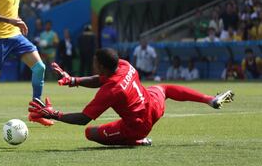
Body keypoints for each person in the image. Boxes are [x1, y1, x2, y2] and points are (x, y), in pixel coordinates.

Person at [28, 48, 234, 146]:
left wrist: (53, 114)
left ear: (101, 65)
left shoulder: (111, 91)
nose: (93, 65)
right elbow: (100, 79)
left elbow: (84, 119)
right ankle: (210, 99)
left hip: (138, 125)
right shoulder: (124, 65)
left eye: (95, 62)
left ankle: (137, 140)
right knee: (164, 88)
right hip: (153, 104)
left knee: (91, 134)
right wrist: (74, 80)